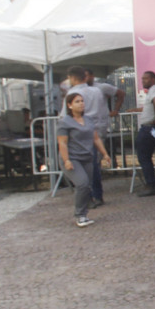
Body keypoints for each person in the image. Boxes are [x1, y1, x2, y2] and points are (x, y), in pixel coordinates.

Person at [57, 91, 110, 227]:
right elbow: (62, 142)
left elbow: (96, 138)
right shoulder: (65, 122)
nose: (81, 104)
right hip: (72, 158)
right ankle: (79, 215)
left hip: (87, 157)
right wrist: (66, 160)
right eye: (77, 101)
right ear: (69, 105)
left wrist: (104, 154)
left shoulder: (88, 120)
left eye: (82, 101)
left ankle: (84, 214)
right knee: (82, 183)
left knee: (87, 186)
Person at [65, 66, 110, 207]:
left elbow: (65, 115)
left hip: (77, 132)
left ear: (72, 78)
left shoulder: (72, 94)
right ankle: (98, 195)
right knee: (94, 165)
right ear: (85, 77)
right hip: (94, 129)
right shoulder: (97, 91)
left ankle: (87, 197)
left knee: (81, 166)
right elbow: (103, 110)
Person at [127, 70, 155, 197]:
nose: (143, 81)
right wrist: (136, 110)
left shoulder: (154, 90)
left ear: (154, 79)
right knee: (146, 156)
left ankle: (151, 185)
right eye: (142, 79)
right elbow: (151, 105)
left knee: (143, 156)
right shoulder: (154, 90)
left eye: (146, 78)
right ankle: (151, 184)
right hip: (152, 128)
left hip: (150, 128)